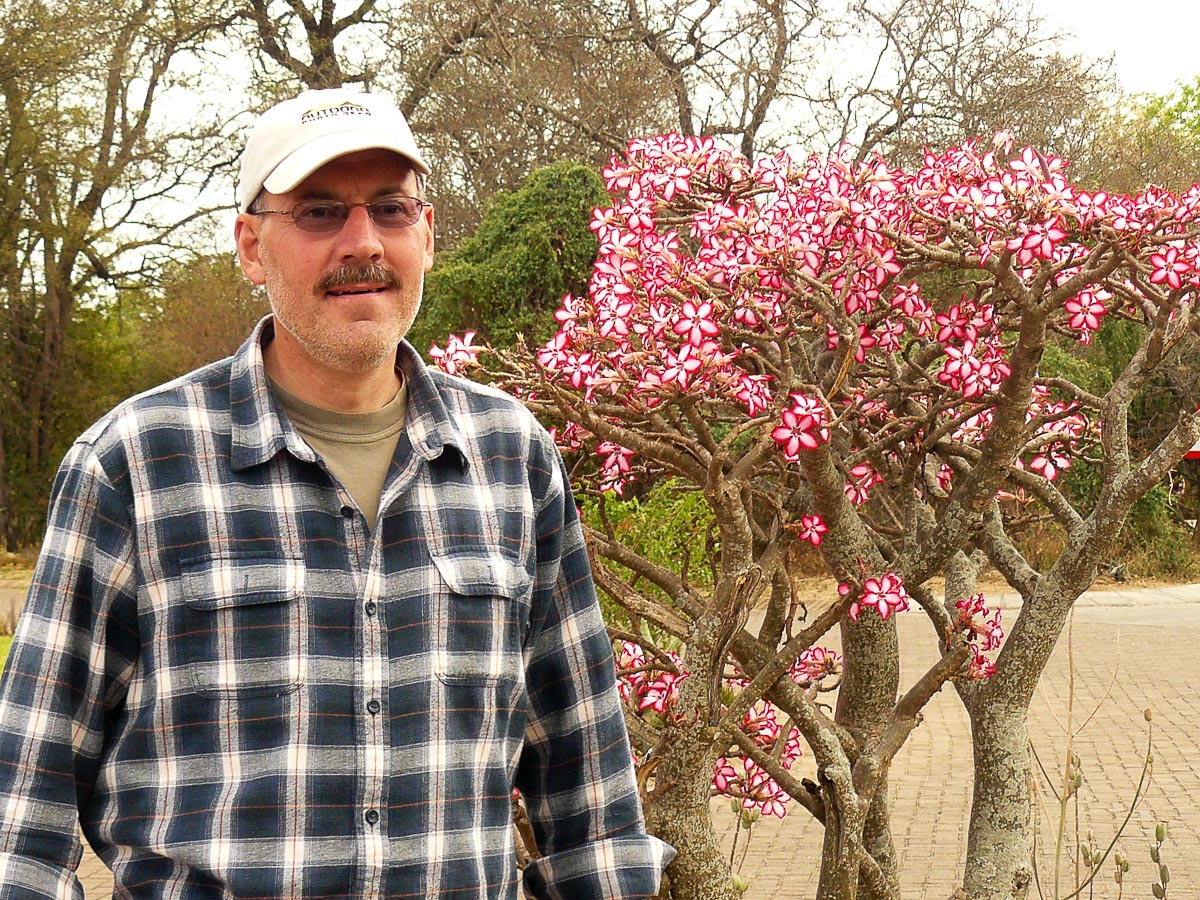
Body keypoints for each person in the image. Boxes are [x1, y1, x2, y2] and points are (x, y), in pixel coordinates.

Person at [0, 88, 673, 898]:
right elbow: (21, 818)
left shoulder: (511, 458)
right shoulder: (135, 466)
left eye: (390, 210)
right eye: (320, 213)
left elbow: (590, 794)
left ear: (426, 233)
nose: (363, 243)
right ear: (251, 246)